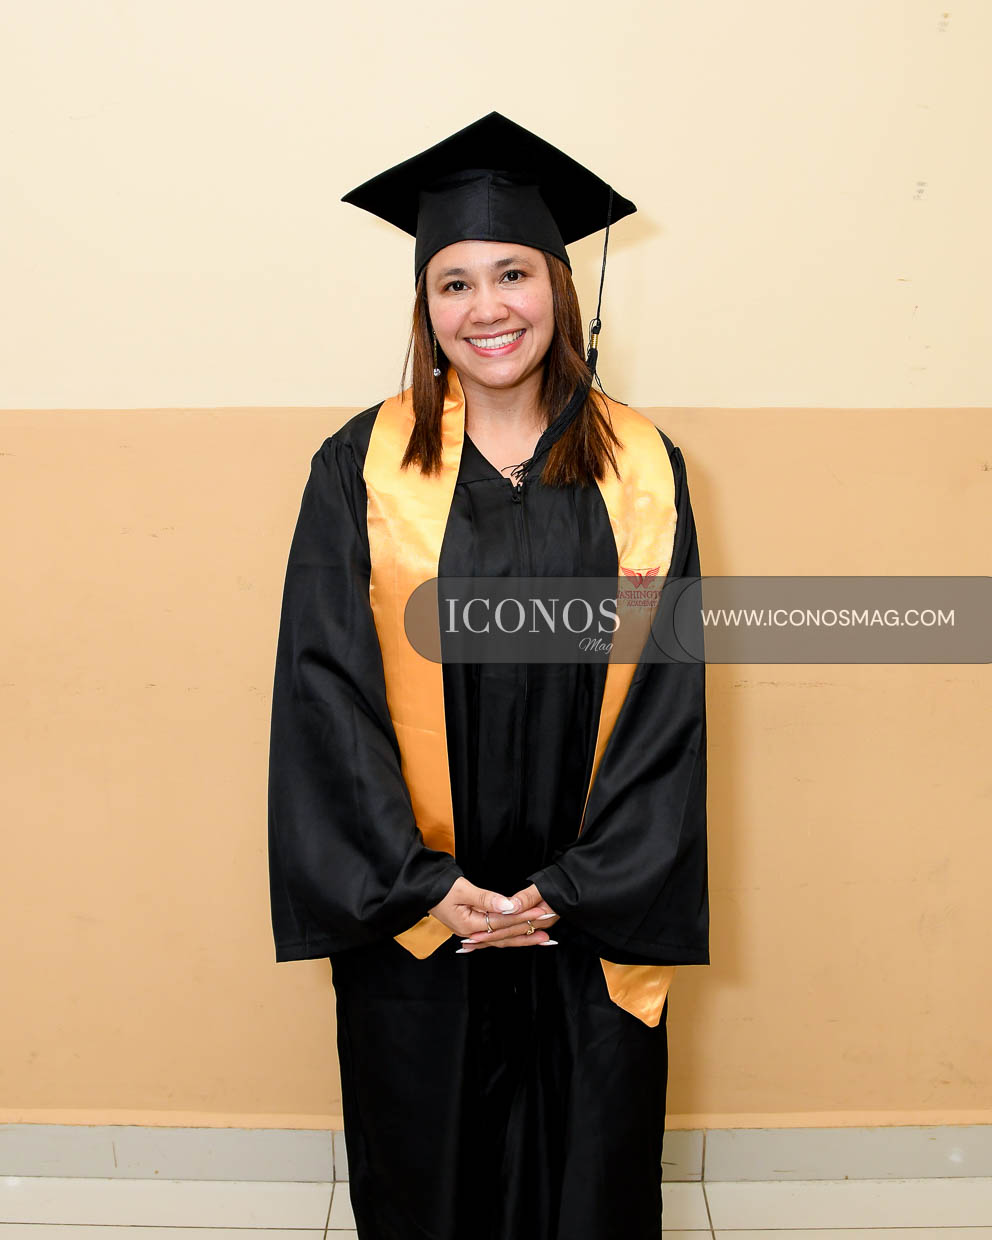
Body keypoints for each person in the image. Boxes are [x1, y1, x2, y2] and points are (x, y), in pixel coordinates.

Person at [267, 111, 709, 1240]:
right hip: (427, 915)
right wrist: (416, 884)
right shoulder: (358, 468)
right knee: (429, 1178)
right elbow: (325, 691)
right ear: (424, 307)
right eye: (453, 283)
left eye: (512, 273)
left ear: (557, 285)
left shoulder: (643, 471)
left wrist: (581, 885)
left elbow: (665, 704)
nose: (486, 308)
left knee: (588, 1183)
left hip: (581, 916)